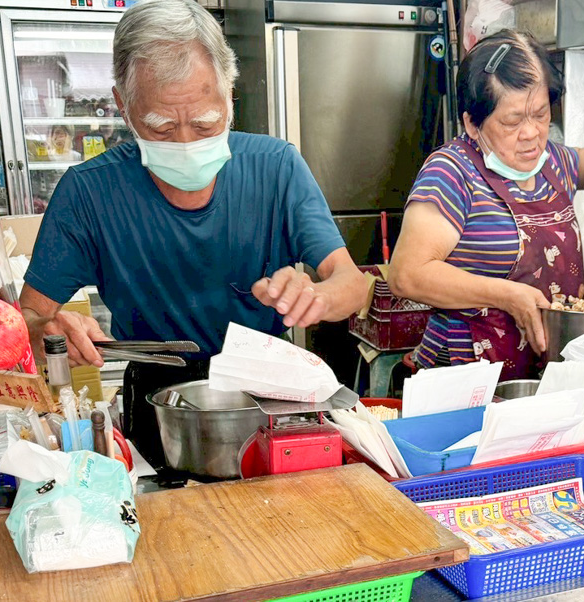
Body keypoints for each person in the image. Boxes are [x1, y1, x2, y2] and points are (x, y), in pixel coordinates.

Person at [19, 0, 366, 465]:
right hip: (158, 403)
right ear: (123, 105)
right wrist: (48, 331)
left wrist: (316, 297)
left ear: (230, 96)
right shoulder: (89, 193)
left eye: (205, 123)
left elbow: (352, 284)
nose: (185, 142)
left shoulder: (276, 168)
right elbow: (26, 320)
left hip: (272, 395)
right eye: (160, 127)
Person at [388, 30, 584, 380]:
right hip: (464, 380)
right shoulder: (451, 173)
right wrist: (506, 295)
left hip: (543, 375)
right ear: (472, 124)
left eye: (541, 114)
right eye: (512, 121)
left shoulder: (552, 162)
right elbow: (407, 275)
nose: (531, 133)